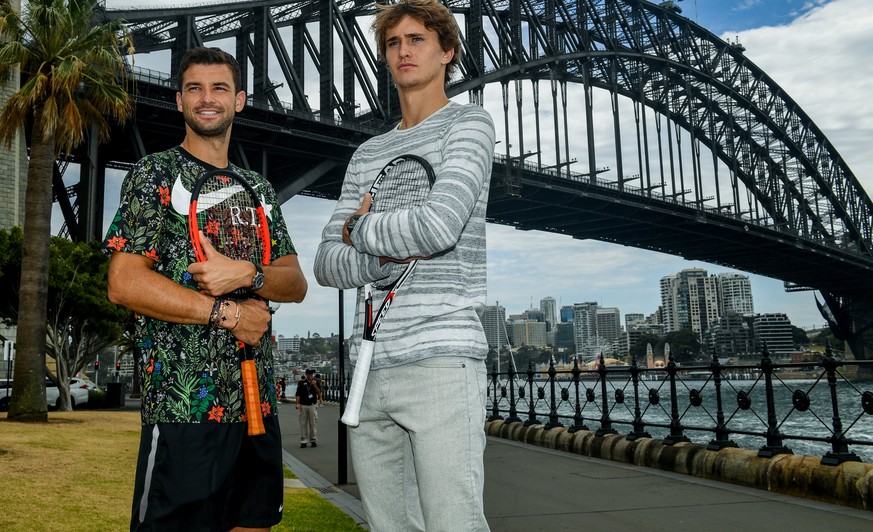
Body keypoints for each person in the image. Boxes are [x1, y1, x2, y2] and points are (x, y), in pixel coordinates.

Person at [104, 46, 308, 531]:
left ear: (239, 100)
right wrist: (229, 314)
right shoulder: (152, 174)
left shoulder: (258, 189)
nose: (207, 98)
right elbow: (124, 282)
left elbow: (295, 282)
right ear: (179, 101)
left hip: (256, 407)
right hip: (183, 407)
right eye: (195, 88)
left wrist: (247, 274)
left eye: (219, 88)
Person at [313, 0, 495, 529]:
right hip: (371, 366)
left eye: (417, 39)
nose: (403, 51)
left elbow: (440, 226)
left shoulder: (469, 124)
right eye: (393, 43)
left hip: (441, 358)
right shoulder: (367, 154)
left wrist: (358, 230)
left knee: (453, 523)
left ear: (448, 52)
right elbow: (327, 264)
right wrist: (386, 246)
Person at [295, 369, 321, 448]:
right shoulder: (301, 383)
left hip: (312, 405)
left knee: (313, 424)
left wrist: (315, 385)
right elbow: (298, 394)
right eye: (309, 375)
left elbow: (319, 392)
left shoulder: (316, 382)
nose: (310, 376)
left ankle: (313, 440)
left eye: (311, 375)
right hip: (303, 405)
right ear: (306, 374)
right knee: (303, 423)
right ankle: (304, 440)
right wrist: (297, 403)